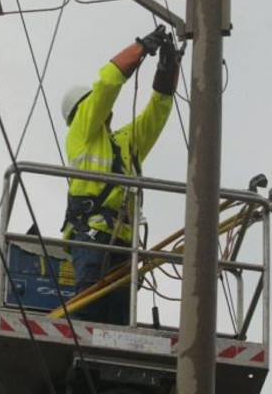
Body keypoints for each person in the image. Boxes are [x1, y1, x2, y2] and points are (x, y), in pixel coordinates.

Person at [60, 25, 182, 325]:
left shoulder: (125, 143)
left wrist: (168, 68)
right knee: (88, 309)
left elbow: (157, 111)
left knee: (119, 316)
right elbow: (107, 85)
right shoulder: (82, 134)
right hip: (91, 236)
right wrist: (141, 47)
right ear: (83, 110)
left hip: (124, 242)